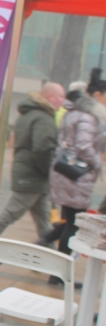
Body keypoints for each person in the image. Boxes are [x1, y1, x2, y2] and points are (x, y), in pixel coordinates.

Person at [0, 82, 63, 241]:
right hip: (33, 175)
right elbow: (42, 149)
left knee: (44, 220)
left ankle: (47, 251)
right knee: (11, 213)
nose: (62, 101)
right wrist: (48, 170)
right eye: (60, 97)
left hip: (31, 174)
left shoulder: (29, 114)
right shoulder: (43, 118)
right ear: (49, 96)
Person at [48, 69, 106, 263]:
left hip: (67, 172)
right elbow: (83, 145)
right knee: (74, 223)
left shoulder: (74, 112)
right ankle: (58, 270)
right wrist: (97, 163)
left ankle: (45, 247)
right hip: (77, 175)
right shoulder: (87, 117)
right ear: (97, 95)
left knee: (69, 221)